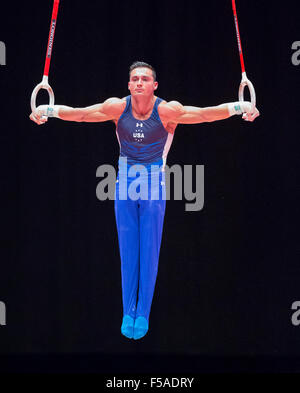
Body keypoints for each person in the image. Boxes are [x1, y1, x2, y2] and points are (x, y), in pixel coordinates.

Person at [29, 61, 260, 340]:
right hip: (125, 180)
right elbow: (80, 115)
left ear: (155, 86)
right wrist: (47, 110)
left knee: (149, 250)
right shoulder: (117, 107)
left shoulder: (167, 111)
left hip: (153, 182)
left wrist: (240, 107)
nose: (139, 82)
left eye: (145, 79)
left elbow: (204, 115)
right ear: (128, 85)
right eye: (134, 79)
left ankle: (144, 313)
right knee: (128, 251)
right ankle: (128, 311)